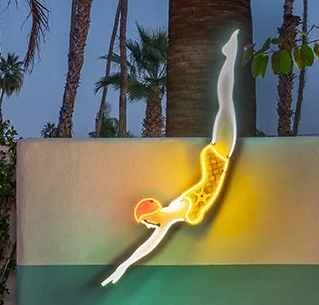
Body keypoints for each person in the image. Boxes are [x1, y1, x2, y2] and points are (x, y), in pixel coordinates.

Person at [102, 30, 240, 286]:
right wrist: (124, 265)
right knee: (225, 103)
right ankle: (229, 56)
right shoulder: (169, 218)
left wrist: (124, 265)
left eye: (145, 222)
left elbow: (149, 244)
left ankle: (229, 56)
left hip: (217, 159)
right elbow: (148, 246)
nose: (147, 227)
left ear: (151, 215)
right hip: (217, 159)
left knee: (225, 102)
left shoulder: (172, 212)